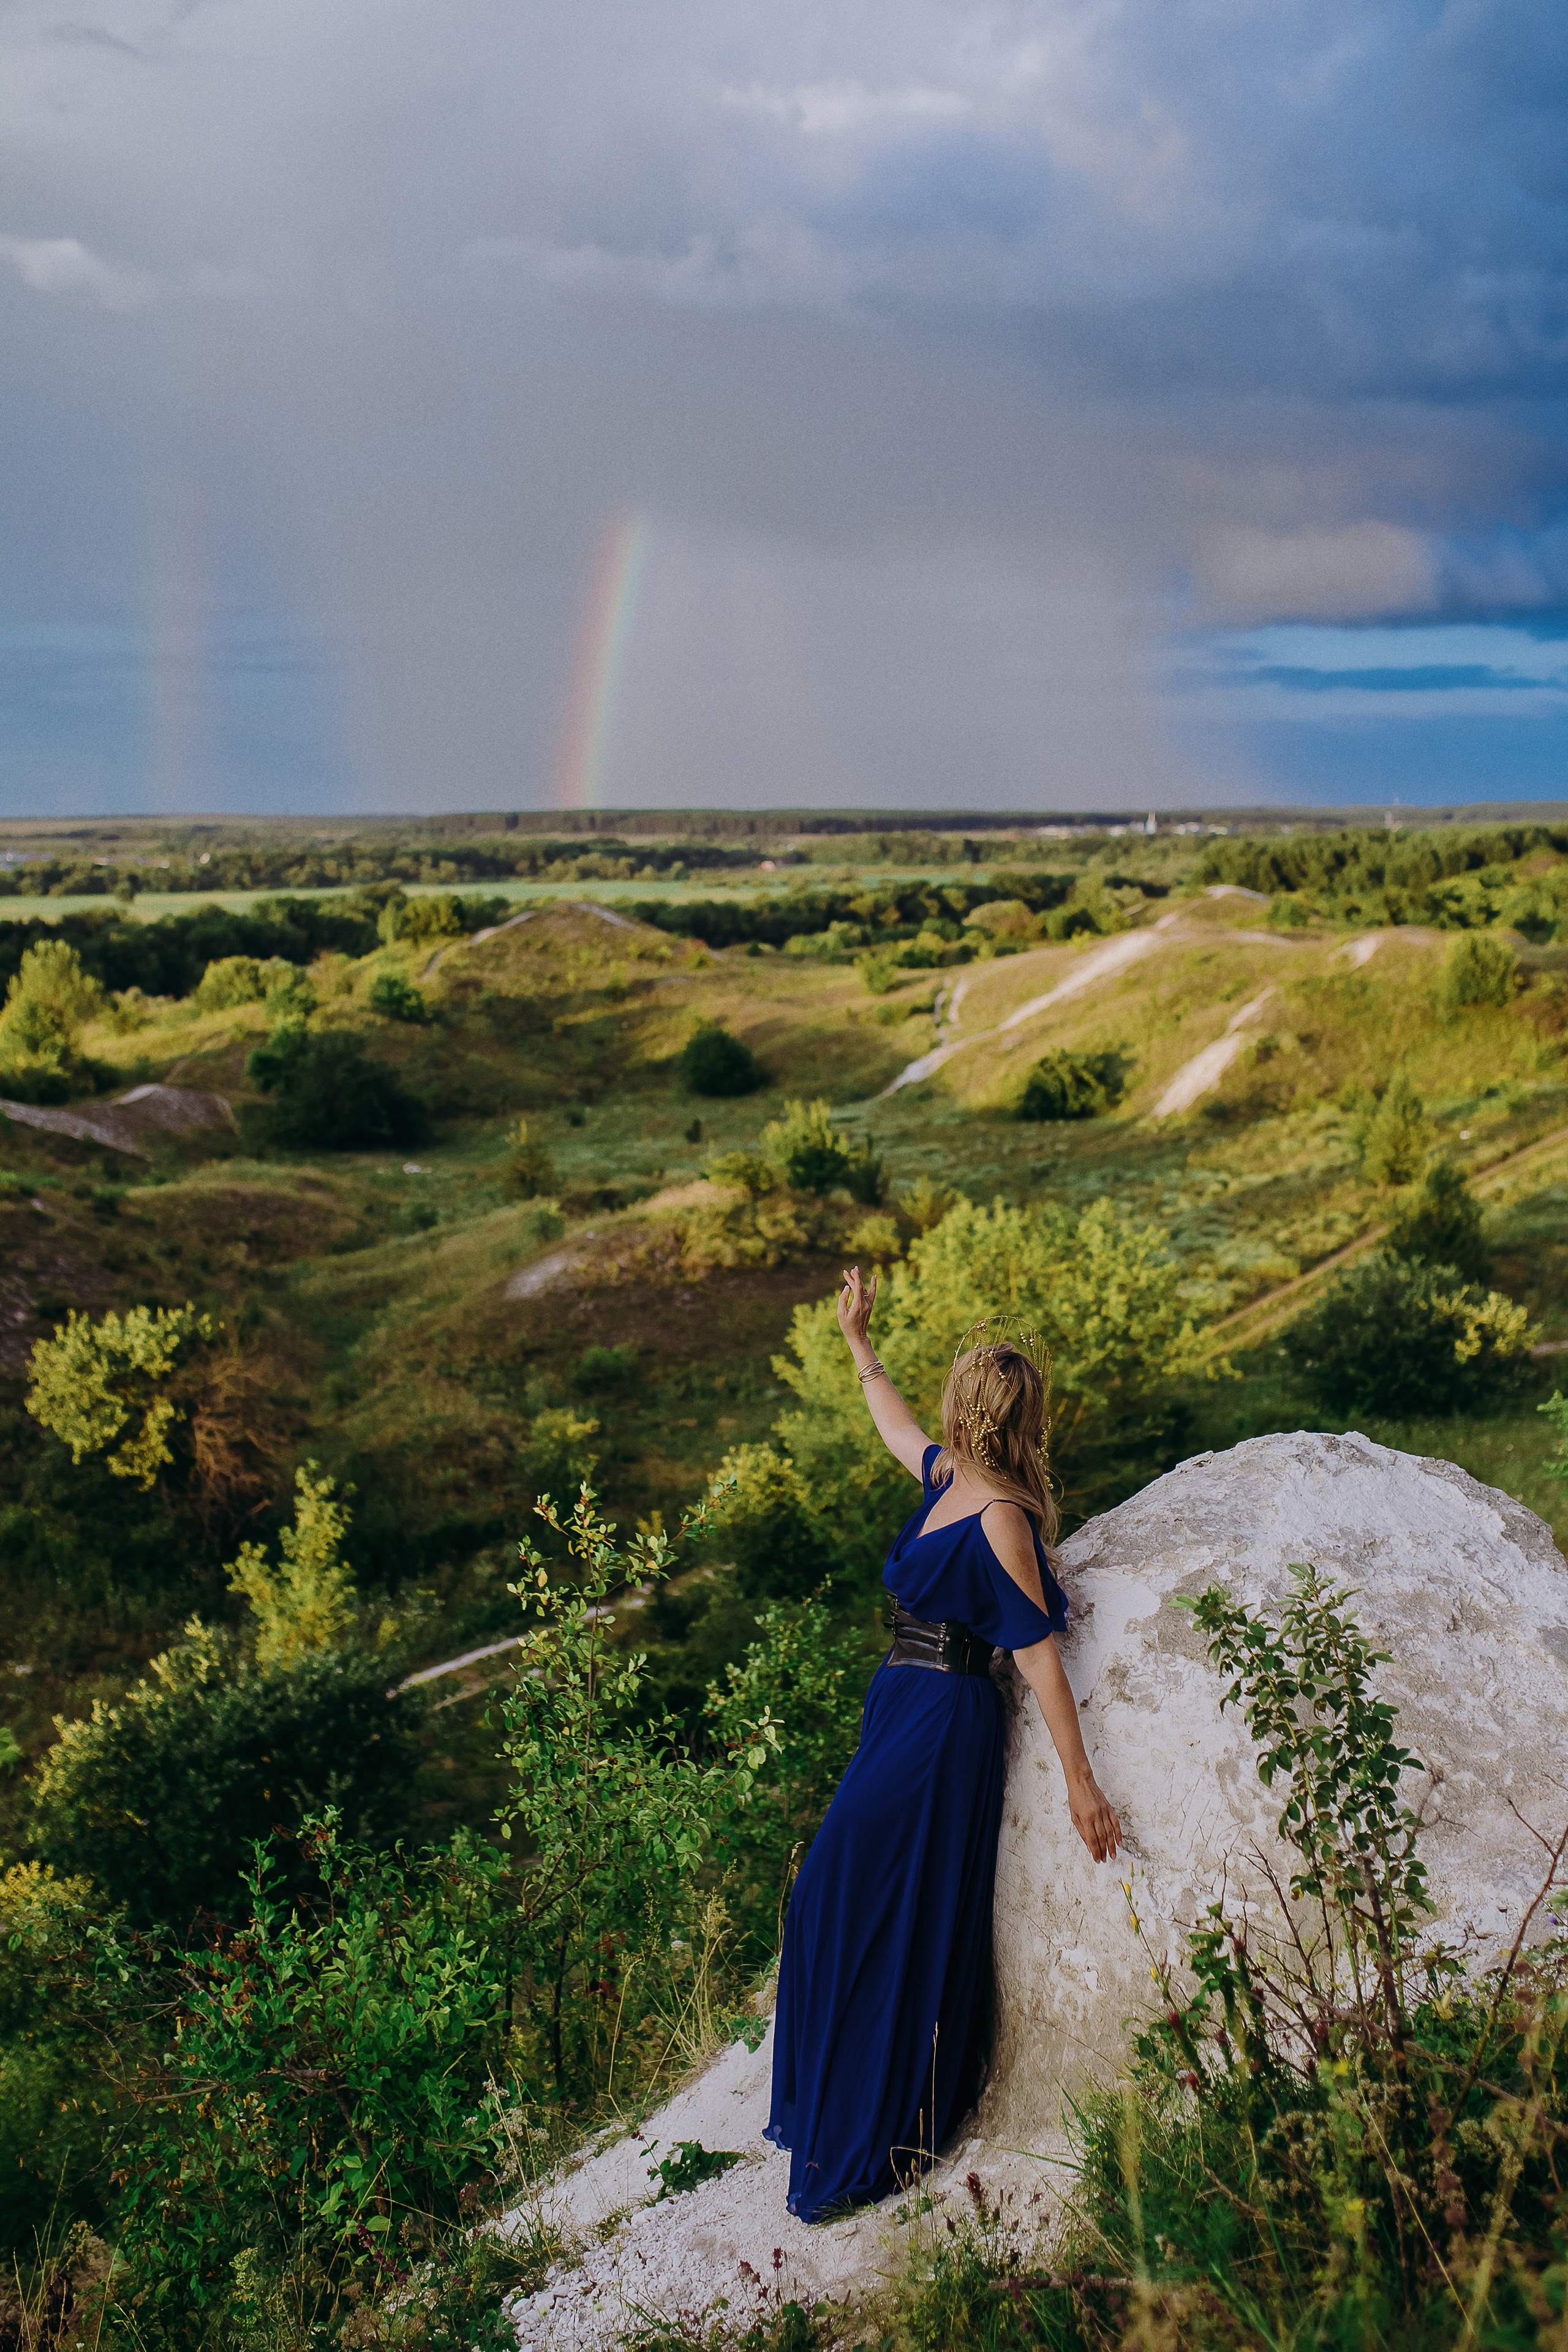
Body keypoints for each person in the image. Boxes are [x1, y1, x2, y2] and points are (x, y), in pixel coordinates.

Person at [765, 1265, 1123, 2223]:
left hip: (943, 1720)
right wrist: (857, 1340)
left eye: (957, 1395)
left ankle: (870, 2128)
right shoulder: (949, 1477)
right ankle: (830, 2105)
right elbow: (895, 1428)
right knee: (831, 1894)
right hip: (900, 1702)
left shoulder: (1002, 1517)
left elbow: (1039, 1659)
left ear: (974, 1413)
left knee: (858, 1893)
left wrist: (1082, 1782)